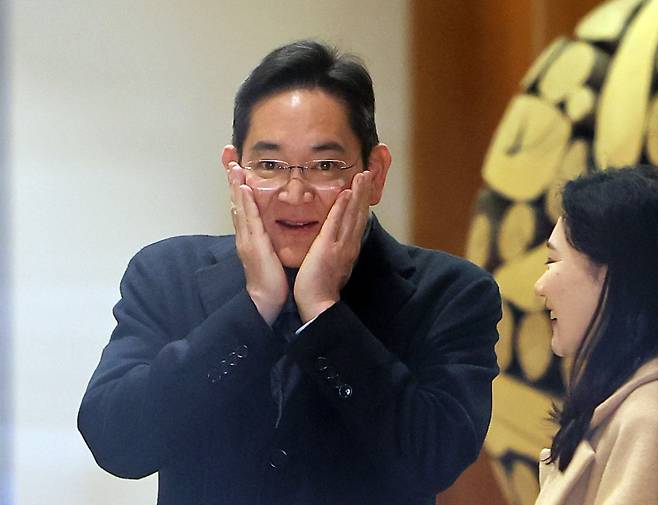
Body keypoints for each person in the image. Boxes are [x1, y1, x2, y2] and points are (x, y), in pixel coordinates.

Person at [78, 40, 501, 505]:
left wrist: (323, 312)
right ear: (234, 169)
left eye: (324, 165)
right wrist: (255, 307)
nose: (294, 193)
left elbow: (436, 457)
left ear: (375, 174)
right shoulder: (166, 274)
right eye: (270, 165)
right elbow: (118, 443)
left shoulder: (451, 293)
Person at [533, 164, 658, 505]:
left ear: (609, 273)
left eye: (552, 261)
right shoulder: (624, 408)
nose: (539, 286)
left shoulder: (647, 422)